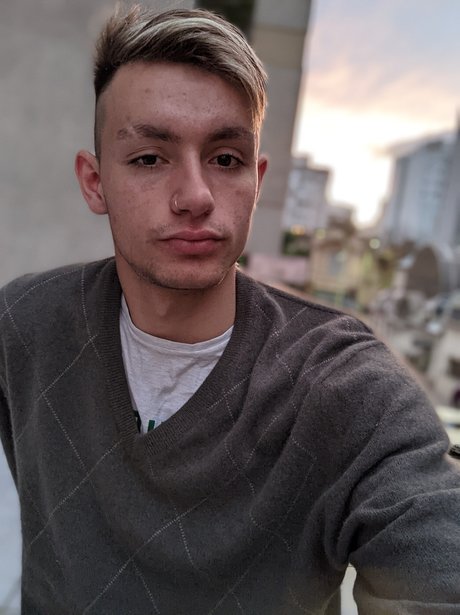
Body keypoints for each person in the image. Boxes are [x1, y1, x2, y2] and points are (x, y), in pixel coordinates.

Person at [0, 5, 459, 614]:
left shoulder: (348, 389)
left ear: (257, 181)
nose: (195, 196)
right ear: (94, 182)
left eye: (225, 159)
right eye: (149, 158)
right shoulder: (25, 324)